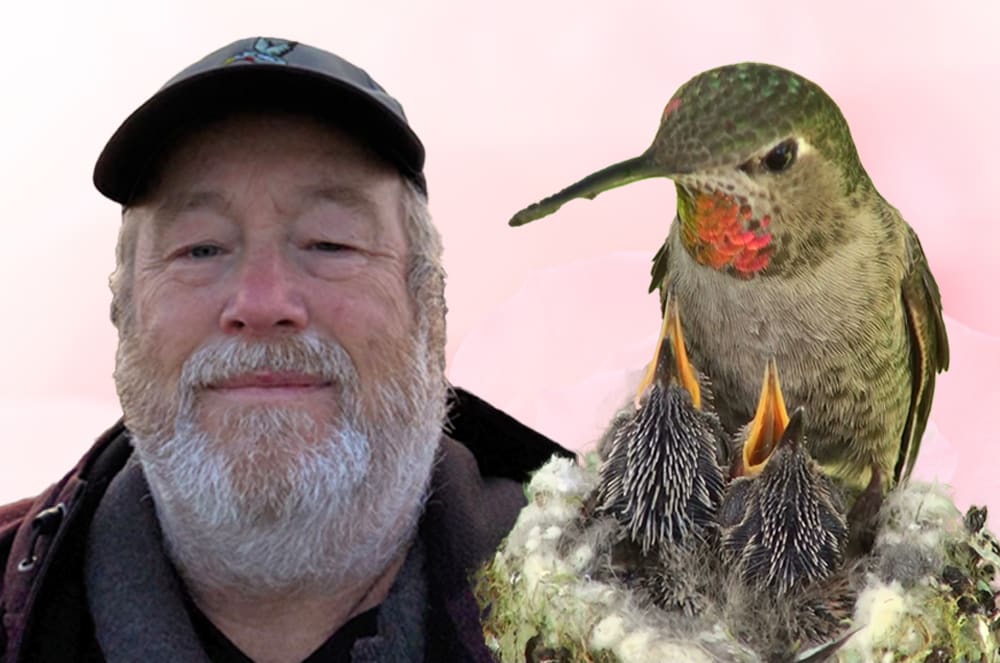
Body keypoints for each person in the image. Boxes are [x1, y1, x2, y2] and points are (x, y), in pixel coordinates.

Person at [0, 36, 570, 662]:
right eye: (200, 248)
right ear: (124, 311)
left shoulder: (641, 609)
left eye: (330, 244)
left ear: (428, 306)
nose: (262, 301)